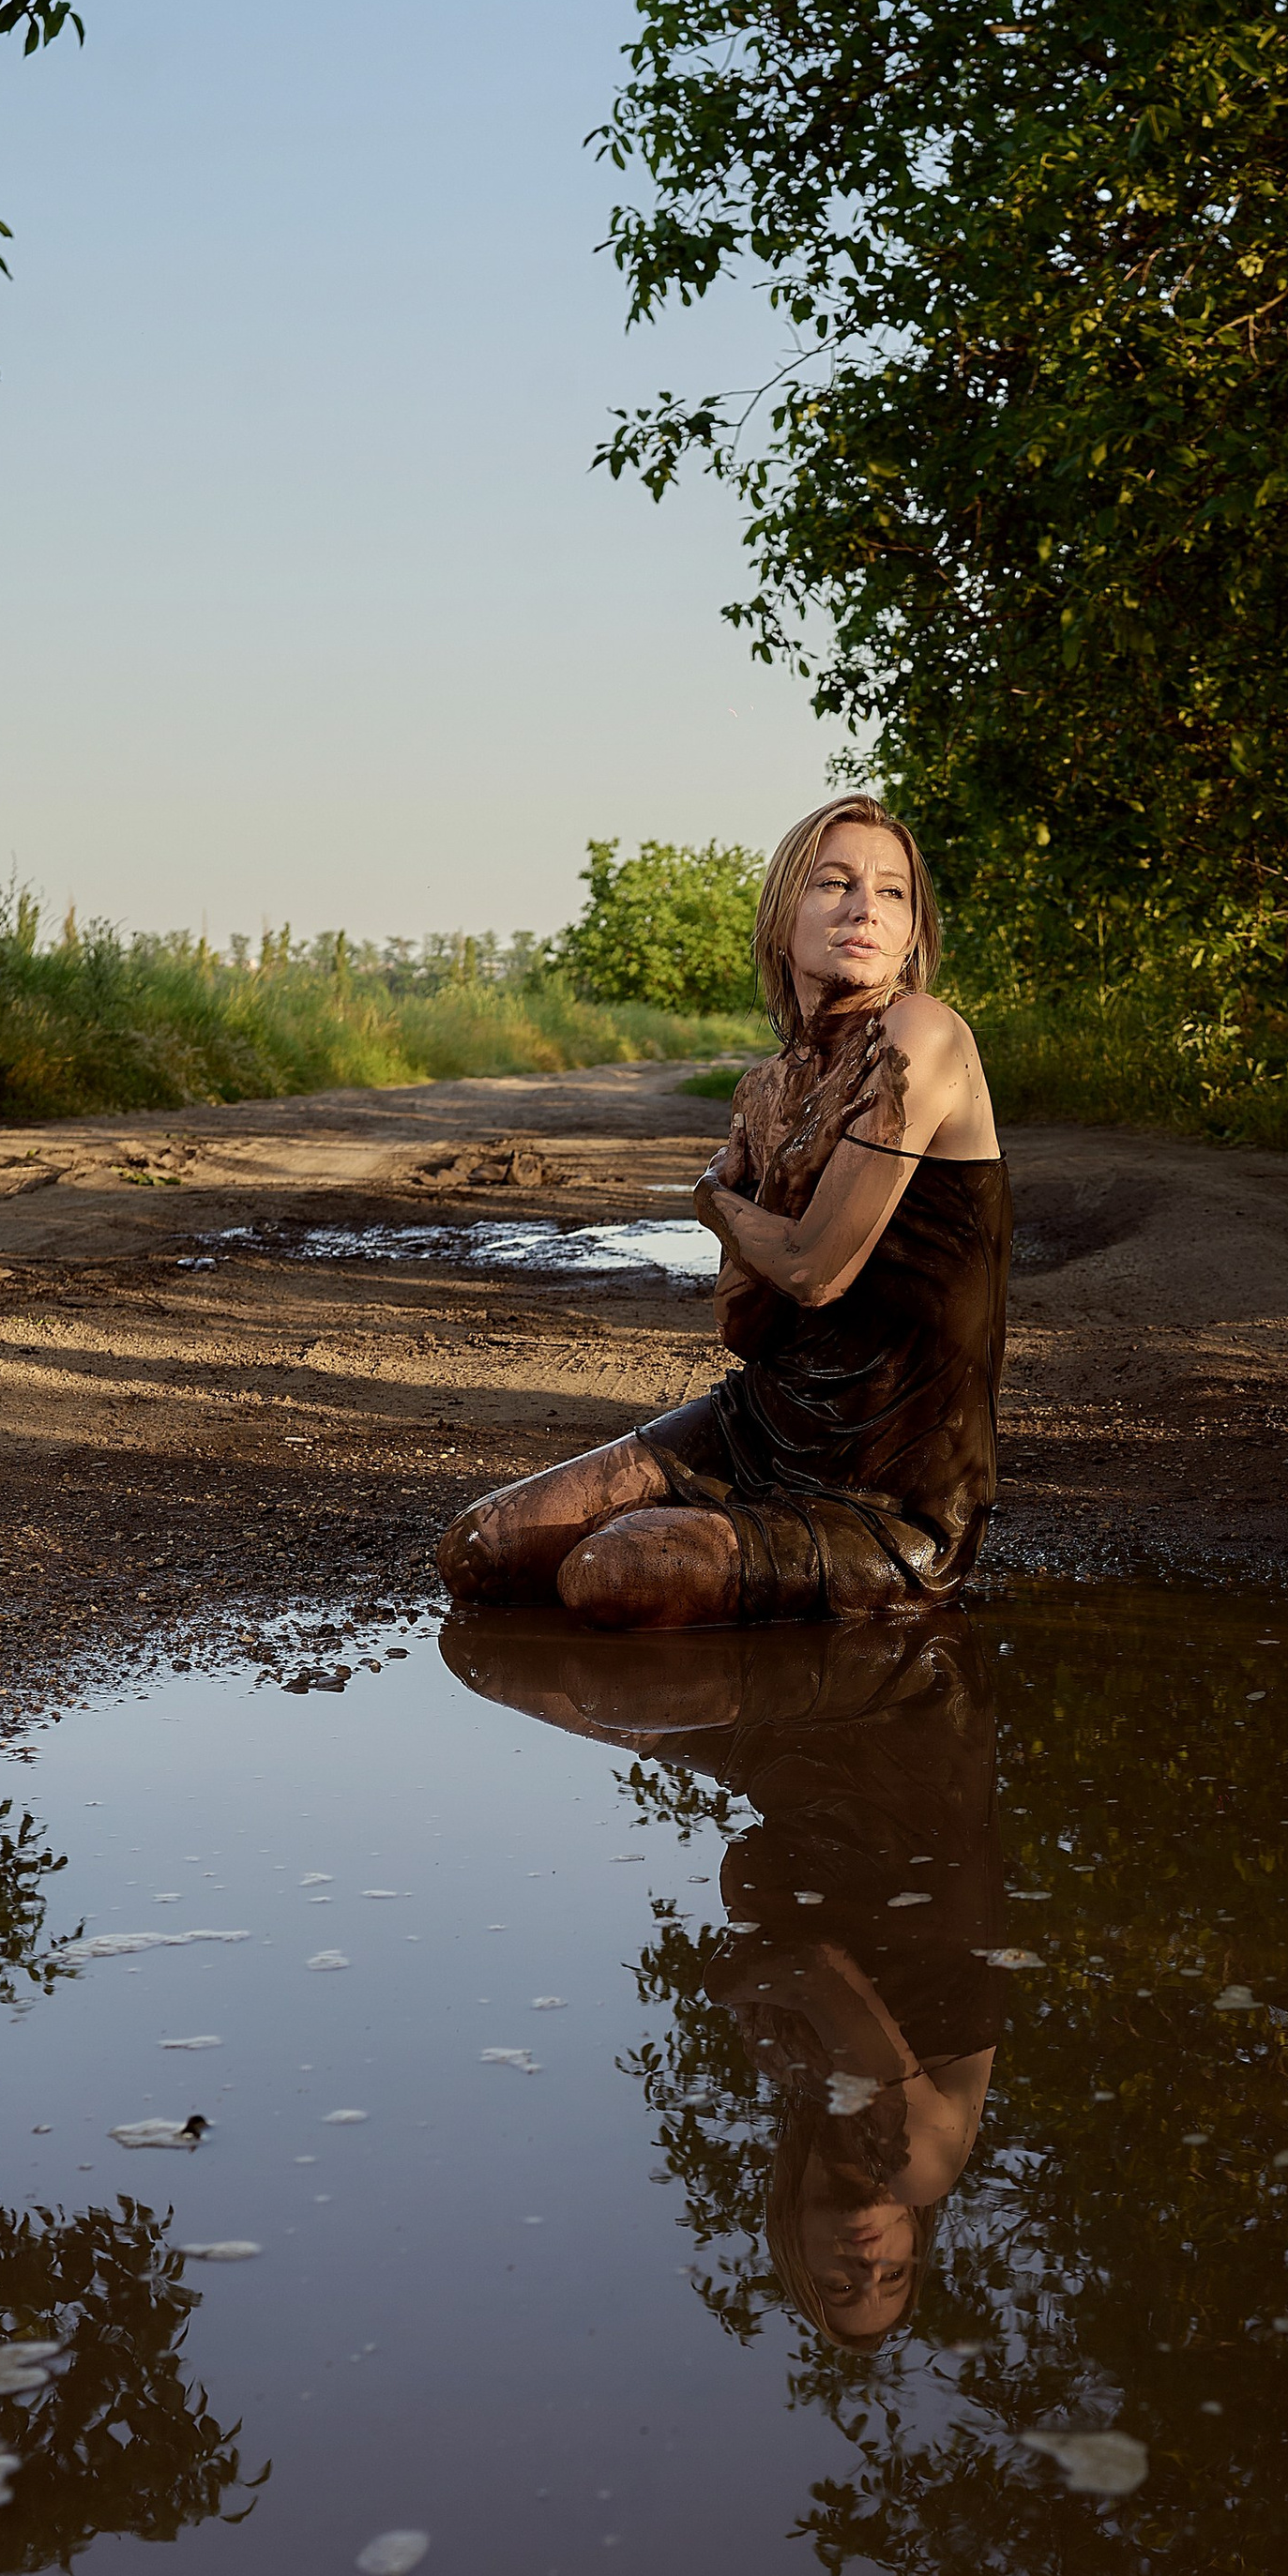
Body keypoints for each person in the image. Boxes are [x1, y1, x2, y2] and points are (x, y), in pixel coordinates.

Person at [436, 794, 1009, 1628]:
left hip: (890, 1495)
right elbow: (745, 1328)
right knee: (478, 1550)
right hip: (763, 1426)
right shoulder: (767, 1089)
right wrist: (767, 1189)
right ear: (781, 920)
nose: (864, 909)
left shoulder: (921, 1035)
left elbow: (815, 1272)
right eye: (834, 884)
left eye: (892, 892)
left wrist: (714, 1202)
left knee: (609, 1574)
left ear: (913, 930)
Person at [439, 1604, 1007, 2347]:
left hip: (797, 1765)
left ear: (795, 2240)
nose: (867, 2266)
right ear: (914, 2243)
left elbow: (761, 1884)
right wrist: (734, 1987)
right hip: (907, 1725)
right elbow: (811, 1967)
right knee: (562, 1622)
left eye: (841, 2285)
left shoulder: (802, 2072)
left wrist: (755, 1980)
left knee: (492, 1658)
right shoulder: (921, 2167)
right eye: (893, 2276)